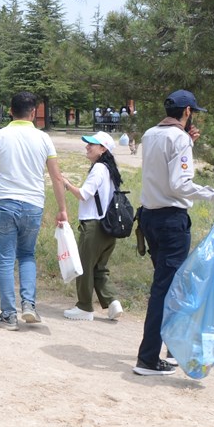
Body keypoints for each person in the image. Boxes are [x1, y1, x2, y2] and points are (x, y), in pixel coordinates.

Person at [135, 89, 214, 376]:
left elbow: (162, 170)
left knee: (168, 287)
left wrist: (185, 143)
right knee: (167, 290)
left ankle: (169, 347)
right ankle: (149, 358)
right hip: (171, 222)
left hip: (150, 218)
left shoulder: (150, 133)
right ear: (188, 111)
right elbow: (180, 185)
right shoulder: (178, 139)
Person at [0, 91, 68, 331]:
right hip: (33, 204)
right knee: (27, 255)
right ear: (33, 113)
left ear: (10, 110)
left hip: (5, 202)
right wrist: (62, 209)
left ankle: (8, 314)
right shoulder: (44, 139)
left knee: (5, 258)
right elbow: (57, 177)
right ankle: (29, 305)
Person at [60, 131, 124, 322]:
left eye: (92, 144)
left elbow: (84, 194)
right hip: (108, 227)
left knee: (84, 267)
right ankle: (112, 302)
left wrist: (66, 184)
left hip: (93, 226)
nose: (87, 147)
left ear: (103, 149)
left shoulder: (99, 169)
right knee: (99, 268)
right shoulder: (110, 170)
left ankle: (84, 307)